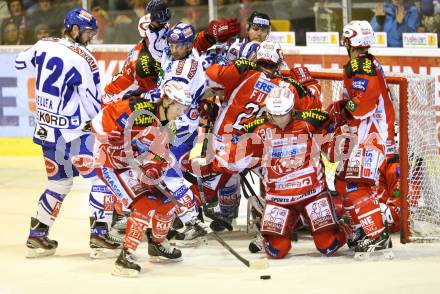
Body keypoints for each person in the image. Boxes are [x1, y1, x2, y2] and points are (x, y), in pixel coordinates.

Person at [15, 7, 121, 259]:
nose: (90, 38)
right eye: (87, 32)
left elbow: (20, 62)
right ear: (73, 29)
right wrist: (104, 125)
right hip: (73, 133)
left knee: (59, 182)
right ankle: (99, 232)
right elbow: (93, 102)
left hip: (46, 131)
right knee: (101, 176)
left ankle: (38, 234)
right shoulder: (85, 58)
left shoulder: (44, 44)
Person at [213, 86, 350, 259]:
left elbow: (333, 151)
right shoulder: (258, 129)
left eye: (283, 114)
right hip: (279, 199)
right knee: (276, 250)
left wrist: (341, 138)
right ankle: (277, 230)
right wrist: (217, 160)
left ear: (292, 110)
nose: (278, 119)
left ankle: (348, 227)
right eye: (274, 114)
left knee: (328, 245)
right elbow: (237, 156)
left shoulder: (311, 123)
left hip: (312, 194)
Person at [200, 41, 321, 232]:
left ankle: (186, 215)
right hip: (252, 148)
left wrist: (233, 64)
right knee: (282, 178)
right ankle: (287, 217)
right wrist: (309, 83)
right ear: (278, 63)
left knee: (212, 183)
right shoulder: (286, 86)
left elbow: (210, 73)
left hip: (221, 144)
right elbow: (314, 104)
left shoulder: (243, 72)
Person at [90, 80, 193, 277]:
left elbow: (160, 156)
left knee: (168, 201)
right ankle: (125, 257)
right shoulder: (137, 109)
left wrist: (154, 169)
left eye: (185, 108)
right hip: (110, 165)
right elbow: (97, 122)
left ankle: (157, 244)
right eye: (178, 107)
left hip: (133, 166)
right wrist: (112, 140)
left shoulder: (169, 127)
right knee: (145, 205)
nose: (181, 112)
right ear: (165, 101)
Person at [326, 20, 396, 258]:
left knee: (356, 186)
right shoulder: (366, 62)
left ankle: (378, 236)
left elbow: (363, 103)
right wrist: (341, 106)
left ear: (351, 41)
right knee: (343, 183)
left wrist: (344, 111)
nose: (345, 44)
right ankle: (360, 230)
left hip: (372, 136)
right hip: (363, 134)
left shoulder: (361, 64)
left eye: (346, 39)